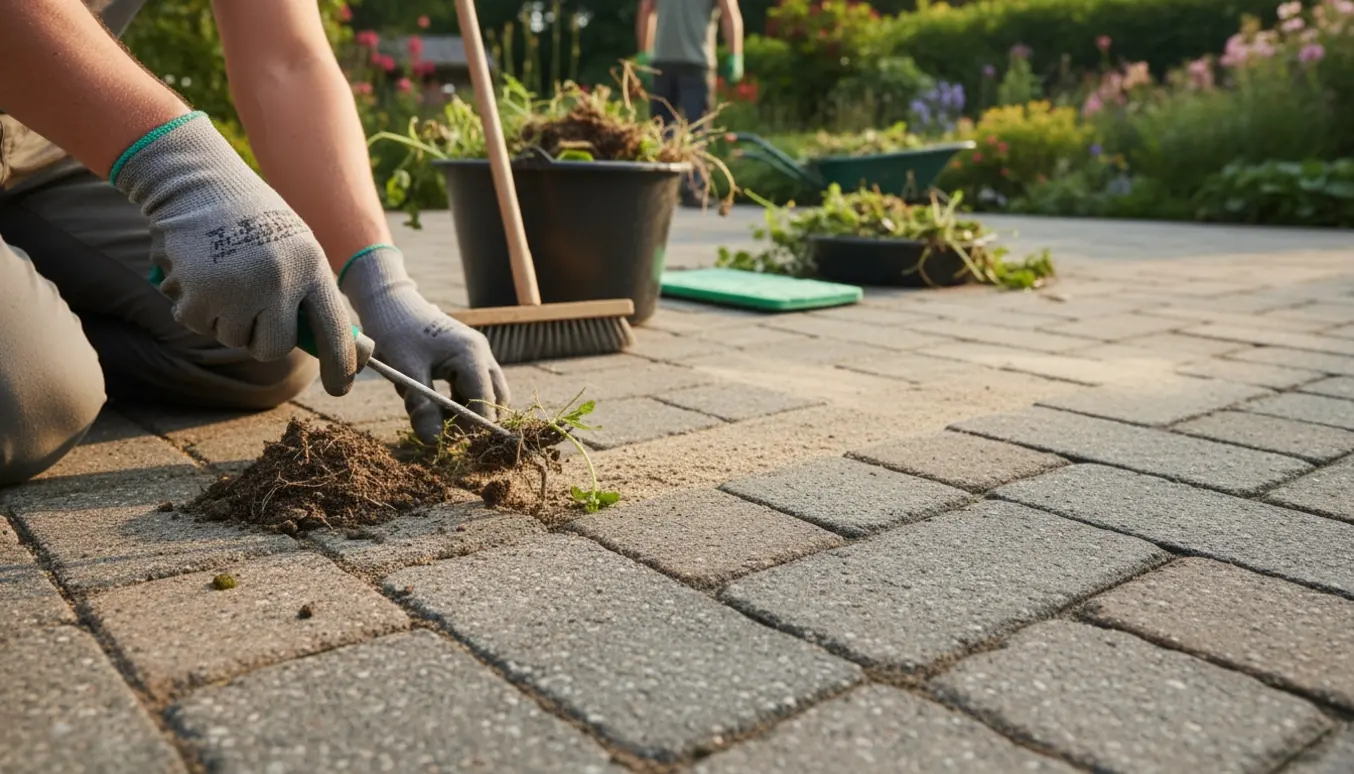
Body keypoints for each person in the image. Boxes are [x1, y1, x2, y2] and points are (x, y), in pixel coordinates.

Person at [0, 0, 510, 487]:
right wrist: (177, 168)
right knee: (34, 403)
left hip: (47, 136)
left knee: (269, 335)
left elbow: (286, 60)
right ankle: (44, 343)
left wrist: (384, 289)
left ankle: (42, 312)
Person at [635, 0, 743, 206]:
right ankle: (692, 190)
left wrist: (644, 50)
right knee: (696, 128)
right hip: (695, 61)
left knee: (662, 128)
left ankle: (659, 189)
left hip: (667, 60)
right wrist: (735, 54)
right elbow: (730, 15)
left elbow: (646, 9)